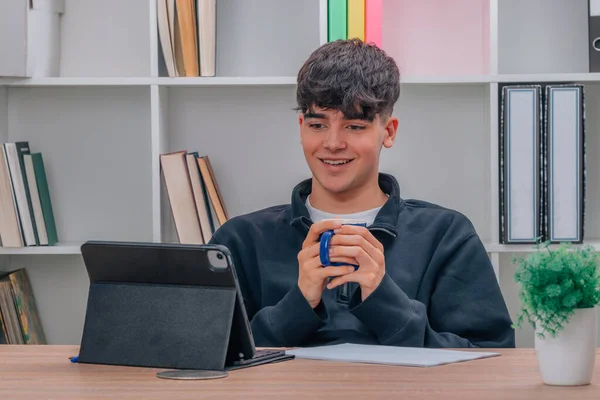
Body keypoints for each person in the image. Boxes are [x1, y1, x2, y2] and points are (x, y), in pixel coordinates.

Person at [209, 38, 516, 349]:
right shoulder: (240, 240)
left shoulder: (447, 236)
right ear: (301, 126)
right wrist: (298, 303)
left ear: (389, 131)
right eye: (317, 124)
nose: (332, 143)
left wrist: (383, 299)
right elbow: (207, 355)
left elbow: (492, 355)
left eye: (354, 127)